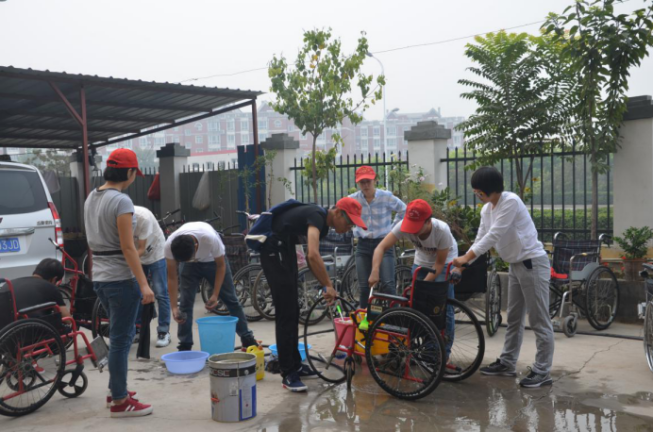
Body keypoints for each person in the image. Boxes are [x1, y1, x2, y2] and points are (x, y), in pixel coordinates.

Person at [453, 167, 554, 389]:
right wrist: (463, 265)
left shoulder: (511, 202)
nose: (476, 195)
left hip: (532, 263)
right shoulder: (487, 209)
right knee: (514, 317)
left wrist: (465, 258)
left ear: (488, 189)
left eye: (478, 191)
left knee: (539, 319)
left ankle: (542, 371)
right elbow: (481, 238)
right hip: (515, 264)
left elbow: (494, 235)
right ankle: (507, 362)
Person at [259, 198, 367, 393]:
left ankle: (296, 364)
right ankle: (288, 372)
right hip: (273, 250)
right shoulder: (317, 216)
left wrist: (325, 284)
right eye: (349, 222)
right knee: (286, 313)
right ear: (337, 213)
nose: (349, 228)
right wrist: (328, 285)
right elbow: (313, 255)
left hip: (285, 249)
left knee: (293, 309)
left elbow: (311, 258)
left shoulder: (322, 224)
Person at [85, 148, 155, 418]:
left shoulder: (92, 196)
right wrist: (144, 284)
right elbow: (128, 247)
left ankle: (116, 390)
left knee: (117, 337)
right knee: (121, 340)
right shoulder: (122, 201)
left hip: (100, 277)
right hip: (120, 279)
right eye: (134, 173)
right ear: (129, 172)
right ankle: (120, 401)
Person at [369, 199, 458, 361]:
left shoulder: (441, 230)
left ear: (428, 221)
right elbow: (380, 247)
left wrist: (423, 286)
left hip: (444, 262)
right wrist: (375, 271)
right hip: (421, 261)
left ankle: (442, 352)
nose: (413, 231)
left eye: (417, 227)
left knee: (442, 308)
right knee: (417, 306)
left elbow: (439, 265)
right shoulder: (403, 226)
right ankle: (423, 348)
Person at [165, 221, 259, 352]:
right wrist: (174, 307)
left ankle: (247, 338)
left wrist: (215, 295)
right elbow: (172, 277)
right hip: (189, 267)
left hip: (213, 262)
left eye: (189, 258)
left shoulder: (209, 238)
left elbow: (221, 266)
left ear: (196, 246)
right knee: (185, 305)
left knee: (231, 300)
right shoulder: (170, 244)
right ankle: (185, 345)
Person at [348, 166, 406, 307]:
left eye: (368, 181)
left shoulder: (386, 196)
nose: (366, 185)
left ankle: (395, 317)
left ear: (375, 180)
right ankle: (364, 319)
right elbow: (341, 212)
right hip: (363, 245)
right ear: (358, 183)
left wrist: (393, 230)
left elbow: (404, 210)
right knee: (364, 287)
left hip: (384, 243)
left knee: (388, 284)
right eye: (362, 182)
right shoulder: (353, 199)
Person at [133, 206, 172, 348]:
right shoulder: (117, 216)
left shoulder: (143, 217)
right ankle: (138, 328)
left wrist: (127, 260)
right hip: (136, 253)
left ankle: (164, 331)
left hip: (156, 252)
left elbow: (142, 248)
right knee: (137, 293)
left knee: (161, 293)